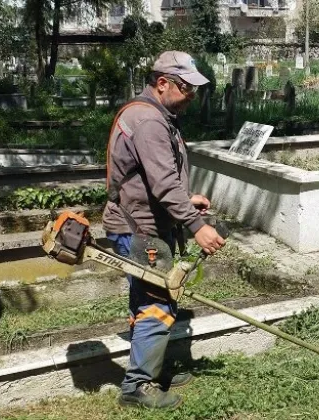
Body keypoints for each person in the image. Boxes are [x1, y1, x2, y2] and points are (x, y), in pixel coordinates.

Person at [103, 51, 226, 409]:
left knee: (148, 297)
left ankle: (152, 366)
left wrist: (188, 199)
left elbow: (153, 179)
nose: (192, 97)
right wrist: (196, 225)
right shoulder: (149, 122)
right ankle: (137, 386)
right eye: (187, 89)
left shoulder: (152, 115)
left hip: (144, 222)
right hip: (140, 228)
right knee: (158, 301)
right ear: (162, 83)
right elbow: (162, 185)